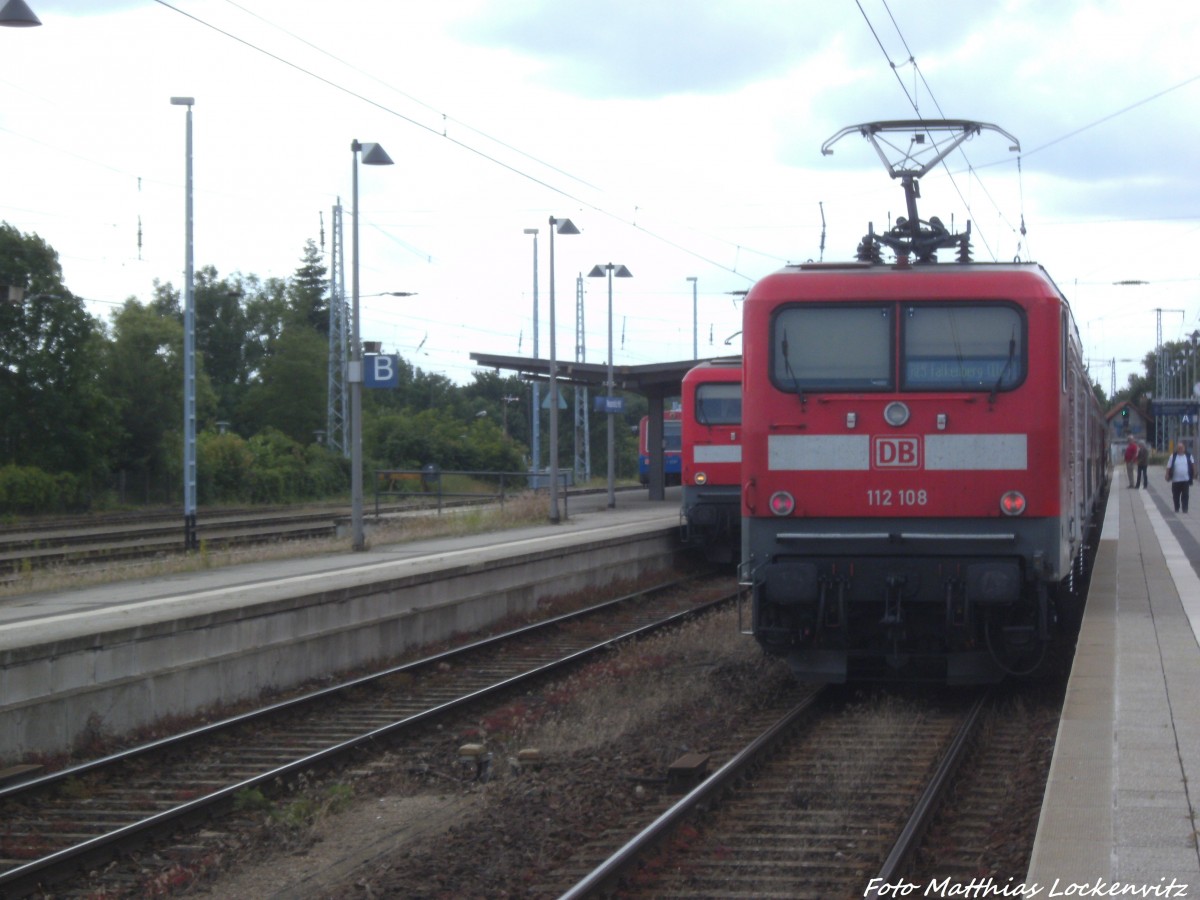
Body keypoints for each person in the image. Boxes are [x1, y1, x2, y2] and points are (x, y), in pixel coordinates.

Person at [1165, 440, 1196, 513]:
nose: (1180, 449)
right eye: (1179, 448)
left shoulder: (1189, 456)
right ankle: (1177, 508)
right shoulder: (1173, 456)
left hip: (1185, 480)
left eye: (1181, 447)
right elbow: (1168, 466)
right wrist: (1167, 474)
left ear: (1184, 448)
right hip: (1175, 480)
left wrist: (1194, 473)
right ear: (1176, 448)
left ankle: (1185, 509)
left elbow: (1193, 465)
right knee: (1176, 495)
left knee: (1185, 495)